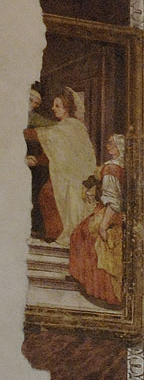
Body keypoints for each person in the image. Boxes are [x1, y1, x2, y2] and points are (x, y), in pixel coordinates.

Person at [68, 132, 124, 306]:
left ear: (119, 148)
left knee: (83, 236)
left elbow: (113, 200)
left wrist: (103, 225)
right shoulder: (116, 166)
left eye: (111, 144)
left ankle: (99, 290)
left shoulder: (112, 169)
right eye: (108, 143)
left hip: (110, 213)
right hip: (110, 211)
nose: (108, 146)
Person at [35, 88, 98, 242]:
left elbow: (45, 136)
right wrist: (37, 160)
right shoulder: (64, 126)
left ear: (67, 108)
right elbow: (57, 152)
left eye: (57, 106)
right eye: (53, 105)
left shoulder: (71, 126)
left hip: (75, 175)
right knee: (46, 194)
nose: (53, 108)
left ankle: (57, 234)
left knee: (48, 194)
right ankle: (54, 233)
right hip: (65, 173)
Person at [24, 84, 60, 241]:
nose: (33, 104)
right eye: (30, 100)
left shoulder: (34, 118)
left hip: (30, 163)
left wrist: (33, 158)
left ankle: (34, 227)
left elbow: (54, 128)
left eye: (36, 103)